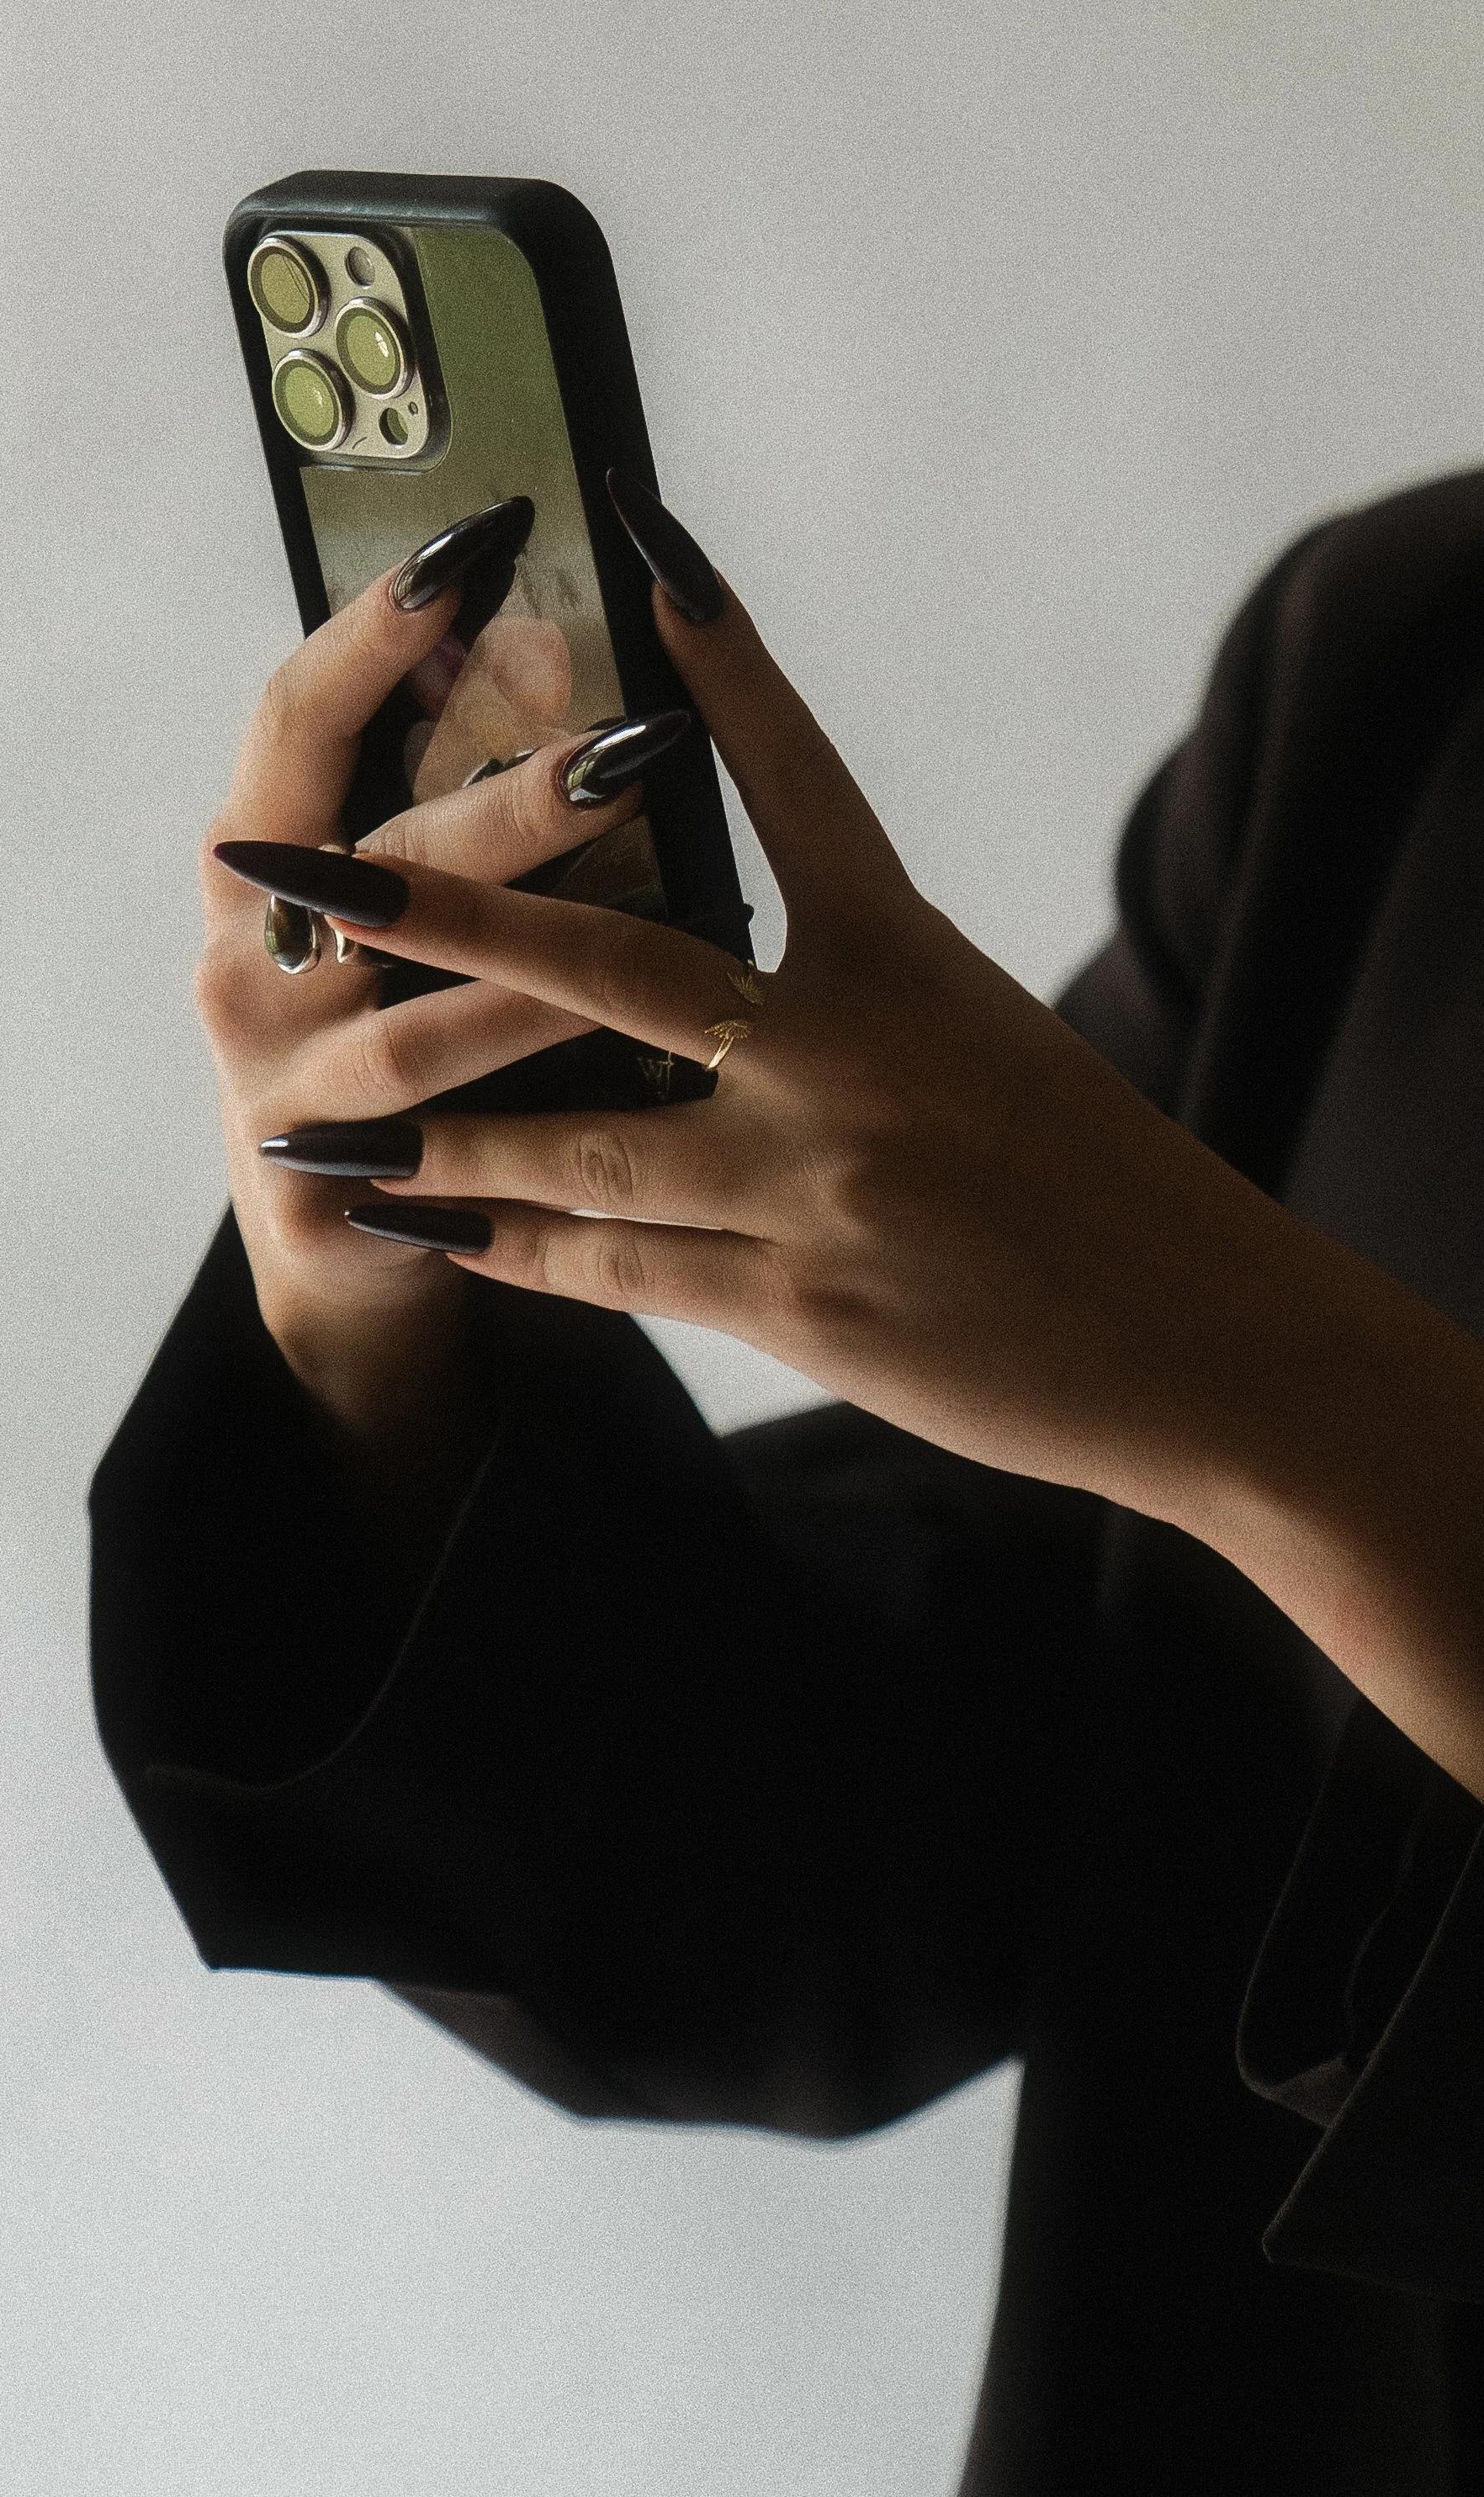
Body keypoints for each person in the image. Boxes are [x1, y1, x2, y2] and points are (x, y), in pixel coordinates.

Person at [90, 464, 1484, 2495]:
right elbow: (829, 1857)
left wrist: (1266, 1392)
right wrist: (383, 1259)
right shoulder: (1406, 677)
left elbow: (1192, 1370)